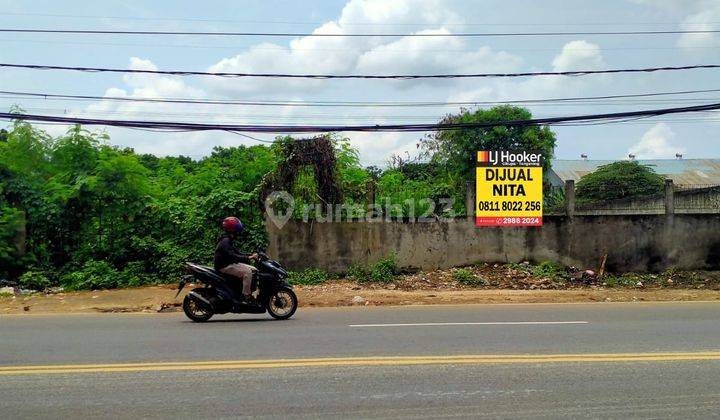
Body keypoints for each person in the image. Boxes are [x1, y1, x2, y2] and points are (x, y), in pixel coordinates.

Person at [214, 216, 259, 306]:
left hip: (228, 264)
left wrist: (249, 255)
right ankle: (246, 296)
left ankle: (242, 288)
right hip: (224, 266)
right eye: (237, 229)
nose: (239, 232)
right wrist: (248, 258)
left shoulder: (227, 239)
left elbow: (236, 252)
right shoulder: (225, 241)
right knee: (247, 272)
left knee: (254, 269)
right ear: (232, 230)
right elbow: (233, 256)